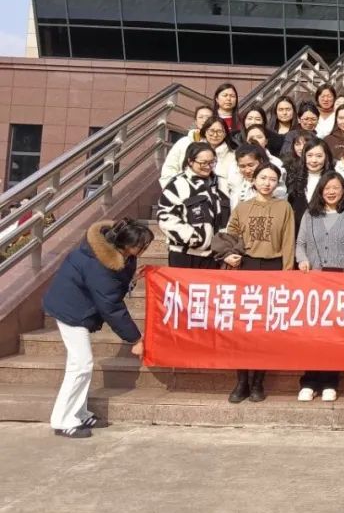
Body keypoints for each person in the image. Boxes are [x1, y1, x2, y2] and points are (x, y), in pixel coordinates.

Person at [43, 219, 152, 438]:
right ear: (125, 243)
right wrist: (135, 339)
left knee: (81, 365)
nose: (144, 249)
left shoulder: (118, 254)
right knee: (80, 365)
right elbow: (111, 306)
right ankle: (63, 420)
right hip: (70, 310)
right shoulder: (98, 263)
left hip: (79, 307)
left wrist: (131, 280)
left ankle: (80, 414)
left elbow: (113, 287)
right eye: (141, 245)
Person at [222, 163, 295, 404]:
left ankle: (258, 382)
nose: (267, 183)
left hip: (273, 268)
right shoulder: (242, 207)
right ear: (253, 180)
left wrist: (287, 273)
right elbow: (230, 234)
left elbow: (288, 242)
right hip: (247, 266)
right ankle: (241, 381)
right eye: (263, 178)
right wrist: (228, 254)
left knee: (265, 329)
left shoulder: (284, 207)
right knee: (243, 328)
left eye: (272, 179)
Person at [296, 172, 344, 402]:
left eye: (336, 187)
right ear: (320, 190)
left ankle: (329, 381)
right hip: (314, 280)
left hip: (340, 281)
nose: (331, 192)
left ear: (343, 190)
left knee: (334, 334)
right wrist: (302, 260)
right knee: (312, 333)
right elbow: (300, 243)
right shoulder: (310, 214)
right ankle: (309, 381)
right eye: (327, 188)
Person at [156, 142, 231, 268]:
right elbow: (165, 216)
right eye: (203, 163)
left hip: (216, 256)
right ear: (190, 161)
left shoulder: (222, 183)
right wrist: (193, 238)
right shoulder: (177, 184)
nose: (208, 166)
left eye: (212, 162)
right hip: (184, 254)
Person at [287, 137, 334, 233]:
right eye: (310, 155)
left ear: (326, 157)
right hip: (299, 234)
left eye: (319, 156)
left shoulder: (334, 180)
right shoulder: (294, 180)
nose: (314, 160)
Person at [159, 105, 214, 187]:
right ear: (196, 121)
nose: (204, 120)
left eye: (208, 117)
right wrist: (173, 188)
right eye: (201, 117)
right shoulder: (183, 142)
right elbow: (169, 168)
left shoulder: (219, 145)